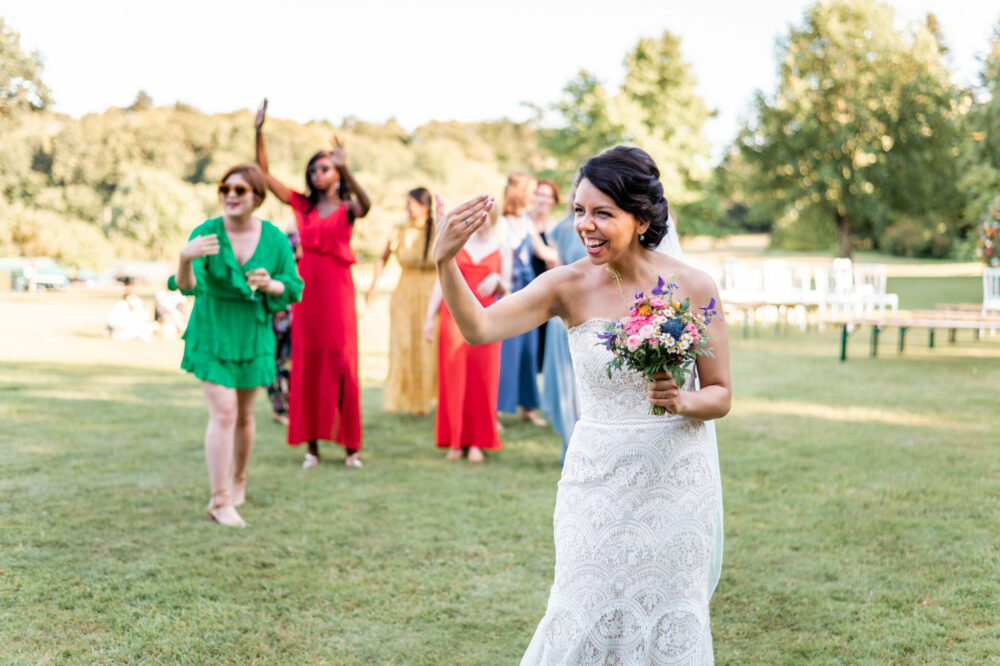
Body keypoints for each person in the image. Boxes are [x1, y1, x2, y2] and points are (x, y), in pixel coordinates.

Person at [432, 146, 730, 663]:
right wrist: (444, 260)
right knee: (581, 605)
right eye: (578, 211)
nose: (584, 226)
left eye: (601, 214)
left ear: (640, 218)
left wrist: (683, 400)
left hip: (676, 481)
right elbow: (478, 328)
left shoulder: (694, 285)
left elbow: (721, 393)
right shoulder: (566, 286)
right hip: (596, 478)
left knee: (668, 613)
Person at [168, 164, 303, 527]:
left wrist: (271, 283)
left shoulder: (274, 238)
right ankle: (219, 500)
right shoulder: (206, 233)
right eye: (225, 188)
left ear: (257, 197)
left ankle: (239, 479)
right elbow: (185, 285)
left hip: (253, 332)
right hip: (212, 329)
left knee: (244, 415)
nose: (230, 194)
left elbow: (292, 287)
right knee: (224, 412)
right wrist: (185, 257)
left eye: (240, 190)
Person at [255, 99, 372, 468]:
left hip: (338, 293)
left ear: (335, 172)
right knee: (307, 365)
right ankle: (312, 449)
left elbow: (365, 205)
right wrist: (258, 131)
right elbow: (264, 175)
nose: (319, 173)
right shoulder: (302, 207)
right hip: (306, 295)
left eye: (325, 167)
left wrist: (346, 167)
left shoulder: (348, 207)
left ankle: (351, 448)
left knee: (342, 363)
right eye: (315, 169)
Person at [424, 203, 510, 462]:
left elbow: (508, 292)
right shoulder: (458, 244)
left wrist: (497, 282)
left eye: (486, 218)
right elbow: (442, 281)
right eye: (477, 218)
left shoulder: (502, 247)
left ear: (493, 219)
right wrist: (430, 317)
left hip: (488, 318)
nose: (482, 222)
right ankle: (455, 439)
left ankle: (477, 442)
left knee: (483, 378)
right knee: (454, 376)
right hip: (453, 317)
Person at [365, 187, 438, 416]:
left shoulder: (436, 230)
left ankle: (427, 401)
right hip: (404, 294)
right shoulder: (399, 230)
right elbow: (382, 258)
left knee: (428, 348)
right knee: (404, 345)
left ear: (425, 207)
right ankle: (405, 399)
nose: (407, 208)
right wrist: (373, 285)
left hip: (430, 293)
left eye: (412, 203)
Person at [495, 173, 556, 426]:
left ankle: (528, 408)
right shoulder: (500, 222)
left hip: (530, 289)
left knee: (529, 351)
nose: (534, 197)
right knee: (507, 351)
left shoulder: (527, 223)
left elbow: (543, 252)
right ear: (519, 194)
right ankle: (496, 409)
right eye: (531, 192)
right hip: (509, 289)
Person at [539, 181, 584, 465]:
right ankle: (571, 445)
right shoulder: (564, 228)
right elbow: (553, 271)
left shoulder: (568, 228)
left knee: (580, 386)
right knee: (569, 386)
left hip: (585, 315)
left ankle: (577, 445)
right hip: (565, 319)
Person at [265, 228, 299, 427]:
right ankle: (279, 406)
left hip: (296, 310)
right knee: (277, 361)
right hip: (280, 311)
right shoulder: (283, 239)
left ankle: (288, 405)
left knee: (290, 361)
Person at [528, 179, 561, 371]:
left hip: (547, 292)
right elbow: (543, 252)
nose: (544, 200)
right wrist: (557, 257)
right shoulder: (523, 222)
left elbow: (559, 259)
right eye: (540, 194)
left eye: (549, 196)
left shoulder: (553, 227)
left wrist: (557, 259)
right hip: (526, 287)